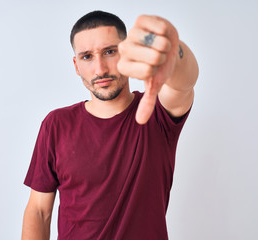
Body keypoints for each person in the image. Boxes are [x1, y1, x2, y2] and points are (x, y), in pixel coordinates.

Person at [22, 10, 198, 240]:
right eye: (87, 56)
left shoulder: (157, 112)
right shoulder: (56, 124)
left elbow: (184, 82)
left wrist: (173, 52)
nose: (100, 69)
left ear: (127, 52)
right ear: (76, 66)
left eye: (110, 52)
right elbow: (39, 211)